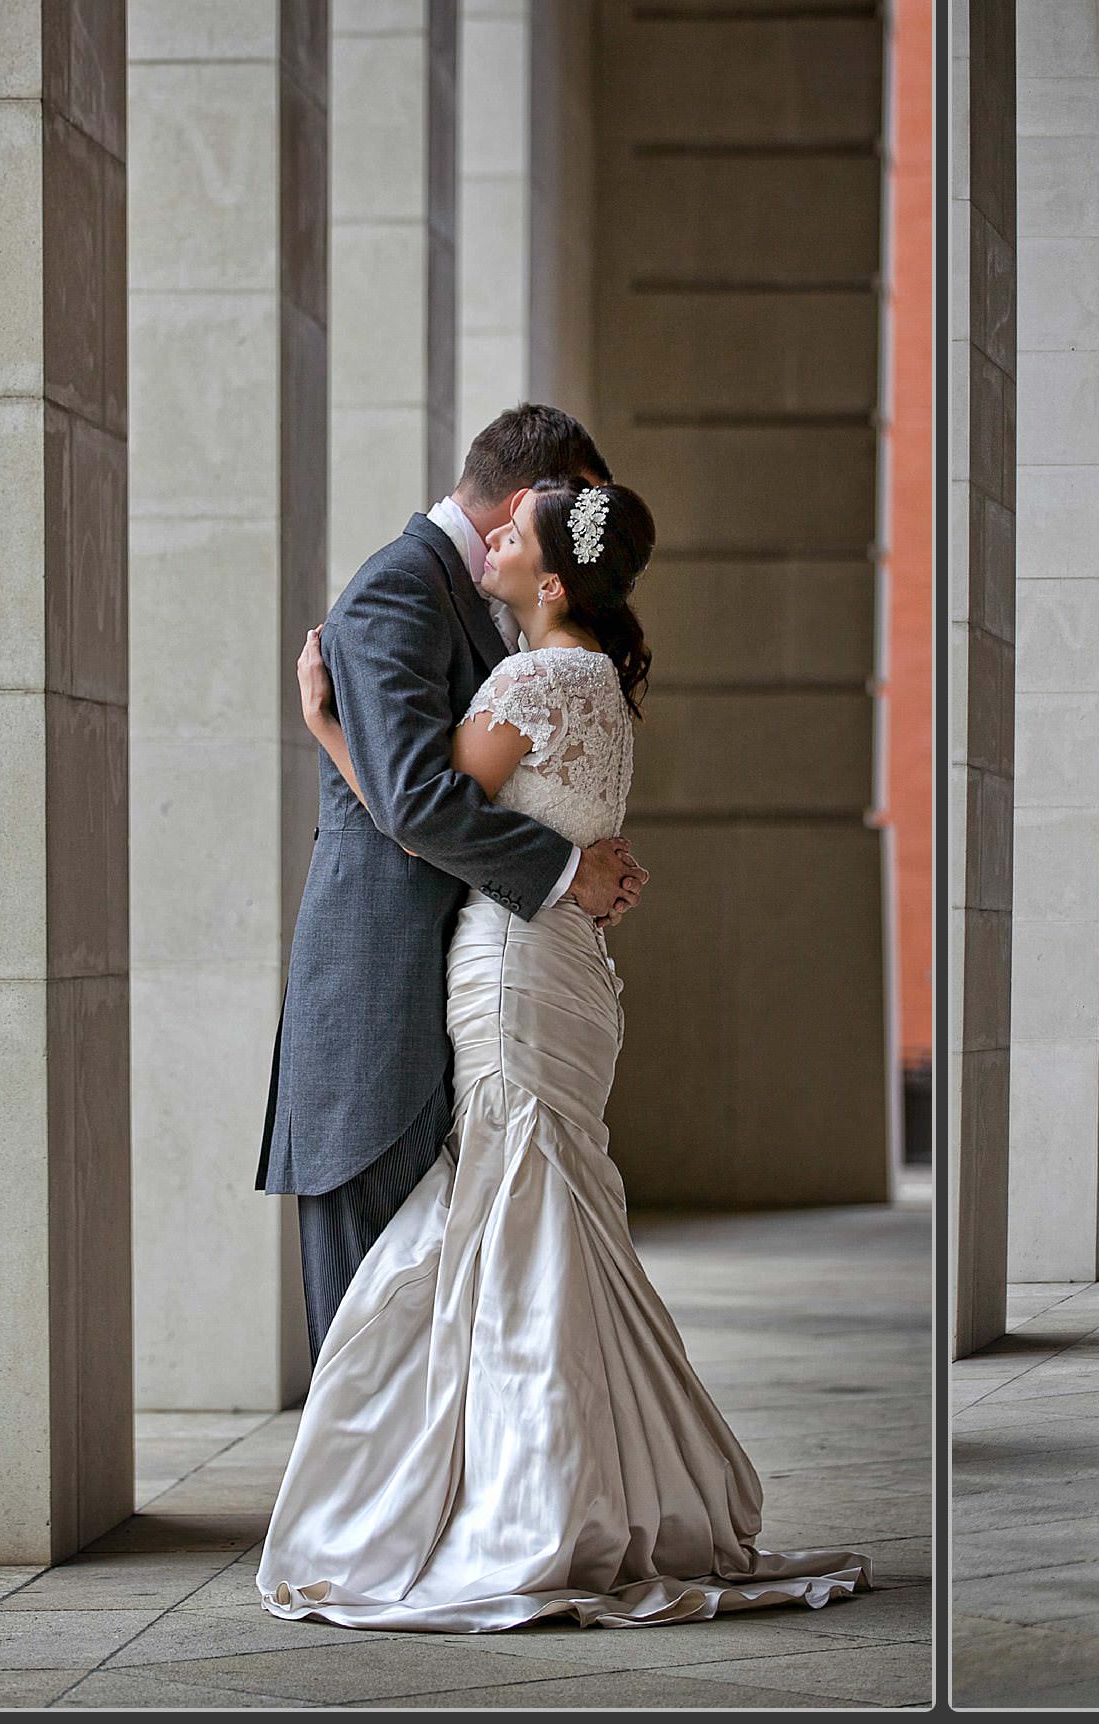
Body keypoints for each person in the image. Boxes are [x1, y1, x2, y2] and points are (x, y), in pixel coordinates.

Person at [257, 480, 873, 1629]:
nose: (489, 537)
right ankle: (574, 1487)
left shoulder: (531, 677)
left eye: (514, 533)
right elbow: (552, 826)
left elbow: (415, 808)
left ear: (550, 583)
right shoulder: (598, 683)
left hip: (512, 965)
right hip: (570, 971)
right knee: (547, 1218)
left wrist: (327, 727)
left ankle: (526, 1500)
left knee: (518, 1220)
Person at [258, 406, 647, 1360]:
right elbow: (415, 804)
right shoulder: (397, 590)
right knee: (372, 1331)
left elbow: (436, 795)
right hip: (377, 1020)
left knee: (429, 1327)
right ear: (528, 503)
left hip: (468, 1002)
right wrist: (565, 868)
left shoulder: (512, 634)